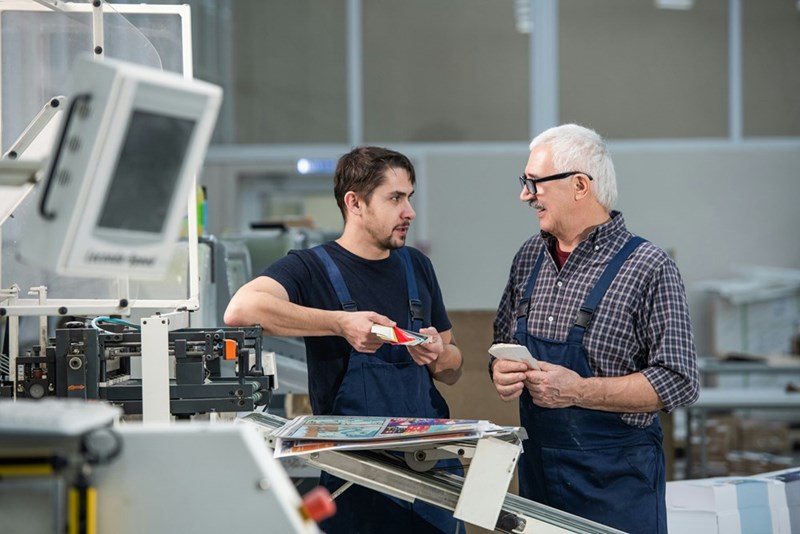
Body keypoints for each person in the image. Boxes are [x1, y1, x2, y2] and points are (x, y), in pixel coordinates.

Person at [224, 146, 465, 534]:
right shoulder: (310, 268)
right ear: (354, 203)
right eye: (395, 198)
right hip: (356, 484)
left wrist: (439, 354)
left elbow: (452, 370)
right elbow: (241, 309)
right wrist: (340, 323)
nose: (410, 212)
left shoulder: (416, 265)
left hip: (430, 479)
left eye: (410, 198)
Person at [490, 124, 699, 534]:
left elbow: (679, 382)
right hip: (539, 480)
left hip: (616, 487)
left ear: (580, 185)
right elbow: (501, 343)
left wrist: (579, 391)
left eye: (534, 182)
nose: (525, 194)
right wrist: (500, 371)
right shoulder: (529, 257)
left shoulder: (649, 268)